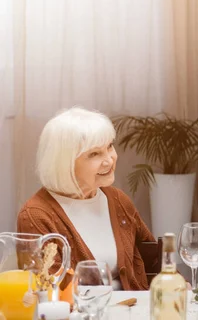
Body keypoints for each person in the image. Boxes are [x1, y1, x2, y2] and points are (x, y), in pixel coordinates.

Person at [17, 107, 155, 291]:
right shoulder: (35, 216)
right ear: (65, 164)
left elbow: (153, 257)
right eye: (94, 154)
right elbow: (50, 289)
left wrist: (176, 282)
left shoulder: (117, 199)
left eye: (109, 147)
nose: (109, 160)